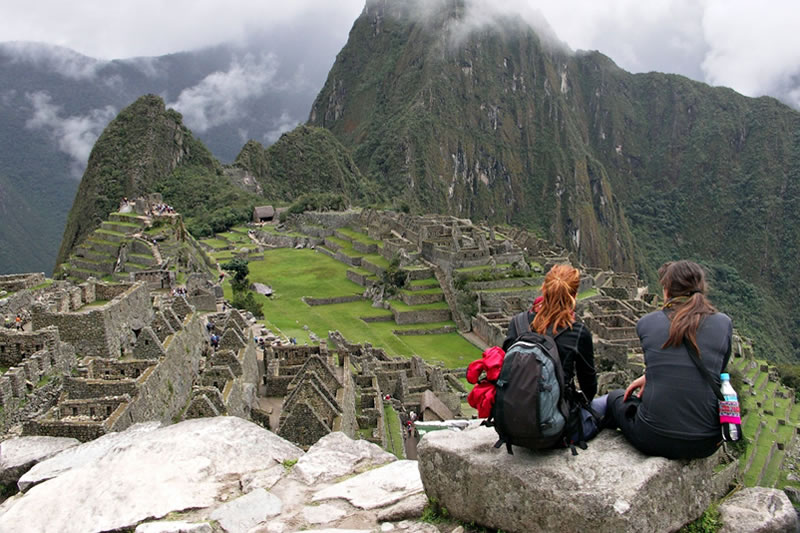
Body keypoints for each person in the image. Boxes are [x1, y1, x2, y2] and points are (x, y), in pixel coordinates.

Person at [601, 260, 732, 460]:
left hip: (653, 437)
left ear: (666, 290)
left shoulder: (647, 323)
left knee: (616, 397)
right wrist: (651, 376)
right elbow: (716, 372)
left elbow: (661, 356)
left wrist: (651, 375)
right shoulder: (724, 323)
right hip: (706, 443)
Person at [502, 264, 597, 403]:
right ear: (574, 296)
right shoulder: (577, 333)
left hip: (513, 414)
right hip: (555, 419)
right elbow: (589, 390)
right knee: (613, 400)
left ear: (544, 289)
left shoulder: (517, 323)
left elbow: (504, 371)